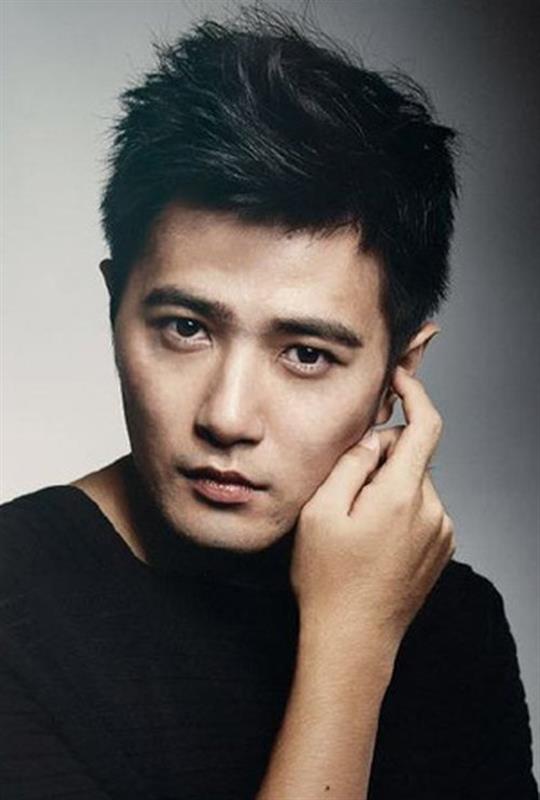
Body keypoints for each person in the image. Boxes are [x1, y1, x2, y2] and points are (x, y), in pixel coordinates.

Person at [0, 7, 537, 800]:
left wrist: (365, 622)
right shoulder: (13, 602)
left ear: (398, 373)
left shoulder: (456, 621)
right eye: (186, 328)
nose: (227, 417)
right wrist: (350, 646)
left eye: (307, 354)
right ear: (115, 306)